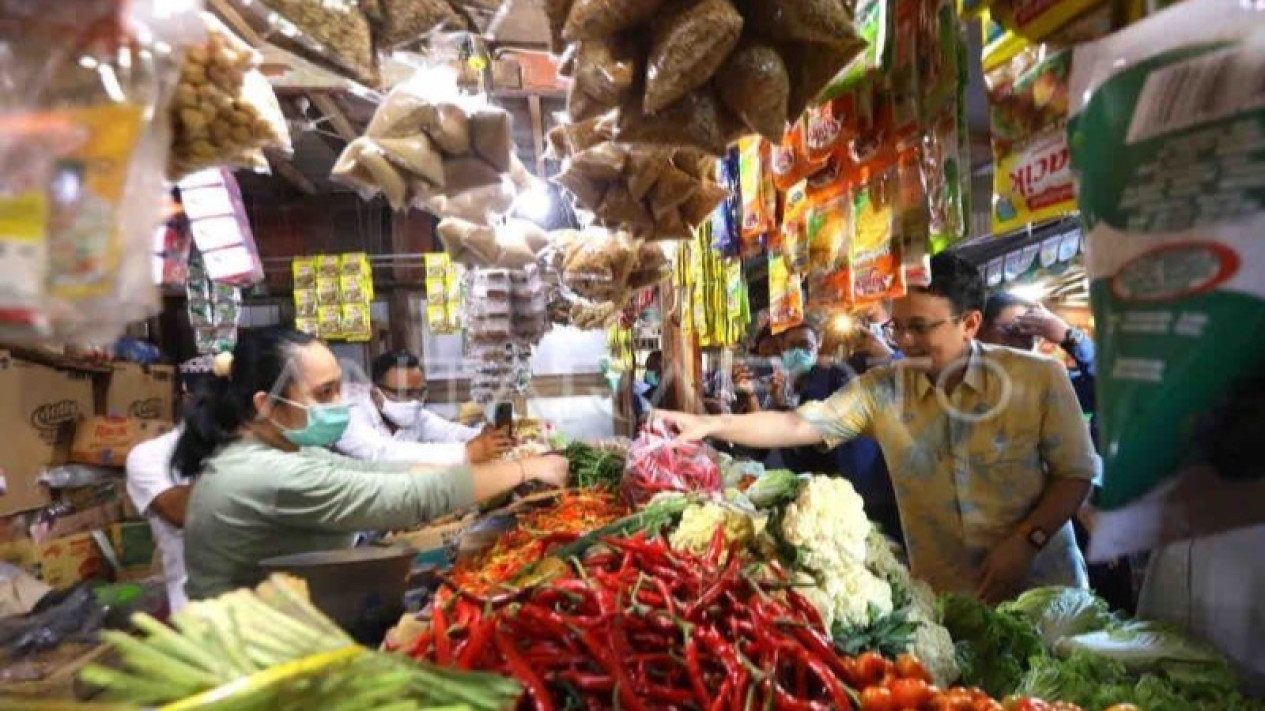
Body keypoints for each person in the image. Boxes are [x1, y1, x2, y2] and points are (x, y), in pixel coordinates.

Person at [655, 253, 1096, 601]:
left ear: (970, 324)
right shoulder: (882, 389)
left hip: (1045, 589)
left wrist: (1026, 541)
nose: (903, 341)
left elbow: (1075, 473)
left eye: (920, 328)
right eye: (898, 326)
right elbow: (794, 424)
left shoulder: (1037, 378)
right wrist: (707, 422)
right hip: (951, 603)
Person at [174, 327, 567, 599]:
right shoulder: (264, 474)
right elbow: (405, 496)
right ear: (266, 404)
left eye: (338, 389)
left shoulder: (284, 449)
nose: (338, 404)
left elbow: (380, 473)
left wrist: (491, 471)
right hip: (252, 658)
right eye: (324, 393)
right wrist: (522, 470)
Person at [124, 356, 214, 611]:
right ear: (186, 400)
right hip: (196, 610)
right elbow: (182, 514)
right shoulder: (148, 456)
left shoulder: (253, 447)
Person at [335, 350, 511, 466]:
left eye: (420, 393)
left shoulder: (415, 413)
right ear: (376, 394)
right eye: (405, 393)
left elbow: (448, 432)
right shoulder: (350, 415)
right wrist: (465, 453)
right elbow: (381, 454)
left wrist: (484, 436)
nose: (414, 402)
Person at [980, 293, 1095, 441]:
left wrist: (1070, 337)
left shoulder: (1044, 382)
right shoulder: (959, 380)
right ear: (980, 330)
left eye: (1030, 335)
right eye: (1012, 330)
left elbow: (1105, 392)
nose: (1021, 343)